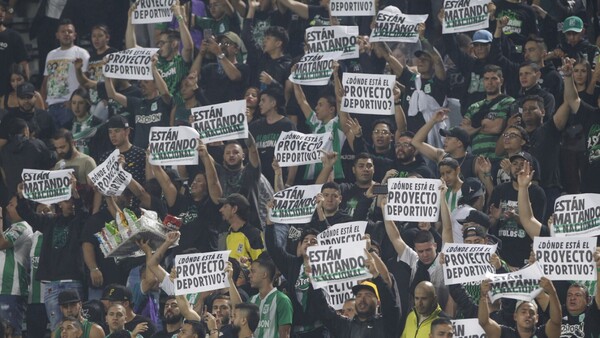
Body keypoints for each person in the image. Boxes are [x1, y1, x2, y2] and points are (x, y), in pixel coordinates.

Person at [15, 175, 86, 330]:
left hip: (72, 281)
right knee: (57, 328)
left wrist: (75, 193)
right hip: (52, 284)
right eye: (68, 201)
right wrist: (21, 196)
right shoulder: (49, 221)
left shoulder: (79, 221)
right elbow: (28, 215)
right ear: (60, 203)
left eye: (73, 202)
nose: (71, 205)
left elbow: (82, 211)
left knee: (77, 327)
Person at [309, 252, 401, 338]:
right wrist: (313, 282)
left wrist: (376, 275)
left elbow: (390, 303)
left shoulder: (385, 323)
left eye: (368, 295)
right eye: (359, 295)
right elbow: (323, 309)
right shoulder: (344, 325)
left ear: (378, 302)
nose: (362, 299)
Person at [125, 2, 193, 107]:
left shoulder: (181, 60)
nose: (159, 46)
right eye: (158, 44)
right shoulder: (156, 59)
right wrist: (130, 20)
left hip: (178, 107)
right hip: (158, 108)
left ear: (174, 44)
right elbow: (132, 48)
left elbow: (188, 47)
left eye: (162, 43)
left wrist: (179, 17)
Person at [490, 153, 547, 269]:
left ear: (530, 169)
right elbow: (490, 223)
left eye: (522, 164)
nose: (518, 167)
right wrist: (495, 218)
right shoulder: (500, 190)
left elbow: (537, 228)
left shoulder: (537, 192)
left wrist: (516, 217)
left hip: (525, 251)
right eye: (514, 164)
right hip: (503, 251)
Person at [105, 54, 172, 150]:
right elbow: (113, 94)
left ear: (156, 84)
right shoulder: (137, 103)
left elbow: (165, 92)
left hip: (159, 152)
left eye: (146, 82)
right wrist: (108, 74)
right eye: (141, 82)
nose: (142, 85)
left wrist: (153, 69)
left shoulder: (163, 101)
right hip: (139, 153)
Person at [41, 18, 90, 128]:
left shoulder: (82, 53)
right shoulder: (50, 54)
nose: (66, 34)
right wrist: (44, 103)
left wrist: (72, 102)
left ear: (75, 35)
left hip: (69, 106)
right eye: (63, 31)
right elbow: (46, 81)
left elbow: (85, 81)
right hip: (51, 106)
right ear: (57, 35)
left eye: (70, 31)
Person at [478, 278, 562, 338]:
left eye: (532, 312)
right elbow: (484, 322)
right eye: (523, 311)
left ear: (537, 318)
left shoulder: (544, 334)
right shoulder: (504, 334)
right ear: (515, 316)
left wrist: (552, 292)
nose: (528, 315)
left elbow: (556, 321)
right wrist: (483, 296)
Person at [461, 65, 514, 160]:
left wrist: (474, 127)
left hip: (499, 159)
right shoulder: (474, 106)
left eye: (494, 78)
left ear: (501, 81)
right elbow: (464, 132)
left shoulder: (508, 101)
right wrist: (484, 125)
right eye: (486, 79)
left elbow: (497, 128)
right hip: (477, 160)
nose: (489, 82)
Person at [411, 110, 476, 179]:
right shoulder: (441, 156)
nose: (445, 140)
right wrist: (433, 121)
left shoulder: (474, 162)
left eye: (449, 138)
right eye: (446, 138)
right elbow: (415, 142)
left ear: (459, 143)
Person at [0, 203, 33, 338]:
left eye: (12, 205)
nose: (8, 207)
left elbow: (1, 243)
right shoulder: (10, 228)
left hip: (10, 289)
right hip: (3, 289)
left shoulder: (22, 227)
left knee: (10, 333)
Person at [191, 31, 249, 104]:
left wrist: (219, 53)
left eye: (227, 43)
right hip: (212, 112)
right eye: (221, 43)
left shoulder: (243, 67)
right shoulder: (210, 68)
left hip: (232, 112)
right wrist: (201, 53)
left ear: (236, 49)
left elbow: (234, 76)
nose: (222, 46)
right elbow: (192, 77)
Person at [0, 81, 55, 149]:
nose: (26, 101)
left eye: (29, 97)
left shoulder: (45, 116)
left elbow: (54, 140)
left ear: (35, 97)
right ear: (17, 99)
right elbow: (1, 142)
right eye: (22, 98)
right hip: (17, 156)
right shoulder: (9, 118)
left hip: (42, 155)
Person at [221, 193, 265, 263]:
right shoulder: (229, 233)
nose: (221, 210)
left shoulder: (253, 234)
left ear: (234, 209)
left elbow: (259, 263)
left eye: (225, 206)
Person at [0, 1, 29, 99]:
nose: (1, 13)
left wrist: (25, 89)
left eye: (3, 10)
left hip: (9, 93)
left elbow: (24, 65)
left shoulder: (14, 36)